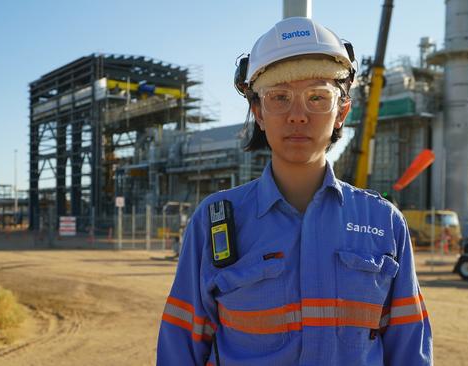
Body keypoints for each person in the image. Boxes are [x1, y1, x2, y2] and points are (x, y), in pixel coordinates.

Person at [157, 17, 432, 365]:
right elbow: (180, 348)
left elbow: (410, 350)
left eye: (318, 97)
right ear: (258, 111)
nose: (298, 115)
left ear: (341, 111)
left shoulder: (384, 222)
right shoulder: (214, 223)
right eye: (279, 97)